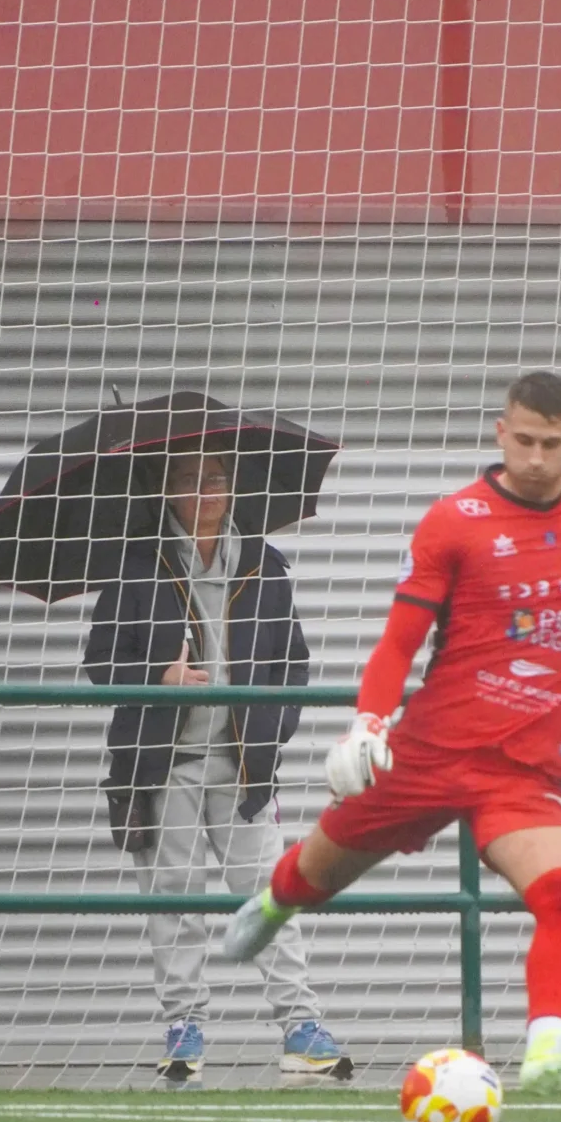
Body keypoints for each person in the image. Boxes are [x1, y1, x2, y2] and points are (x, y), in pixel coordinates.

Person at [221, 370, 561, 1090]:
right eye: (523, 440)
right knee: (317, 874)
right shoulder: (455, 521)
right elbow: (399, 641)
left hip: (522, 770)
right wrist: (368, 724)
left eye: (551, 444)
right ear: (502, 434)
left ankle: (546, 1049)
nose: (536, 458)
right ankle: (275, 902)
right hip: (428, 755)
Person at [84, 448, 351, 1087]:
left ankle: (301, 1026)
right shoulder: (136, 567)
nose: (204, 491)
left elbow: (293, 664)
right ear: (166, 491)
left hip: (243, 770)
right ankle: (185, 1029)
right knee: (172, 900)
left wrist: (270, 733)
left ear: (232, 488)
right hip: (161, 766)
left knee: (270, 894)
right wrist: (158, 677)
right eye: (187, 480)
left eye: (215, 479)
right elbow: (100, 662)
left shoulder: (265, 566)